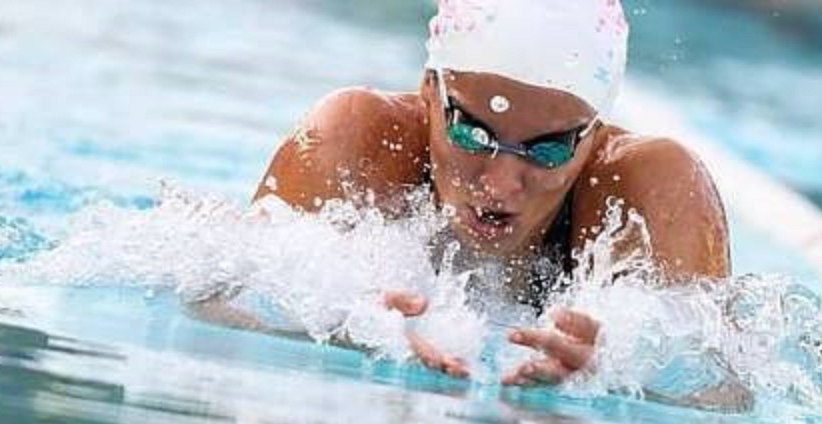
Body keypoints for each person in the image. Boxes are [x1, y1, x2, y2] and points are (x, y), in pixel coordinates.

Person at [252, 0, 729, 386]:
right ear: (428, 89)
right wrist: (339, 317)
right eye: (471, 133)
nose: (500, 184)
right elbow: (220, 289)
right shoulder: (356, 138)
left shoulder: (651, 191)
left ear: (594, 135)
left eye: (548, 149)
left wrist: (626, 364)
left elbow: (725, 389)